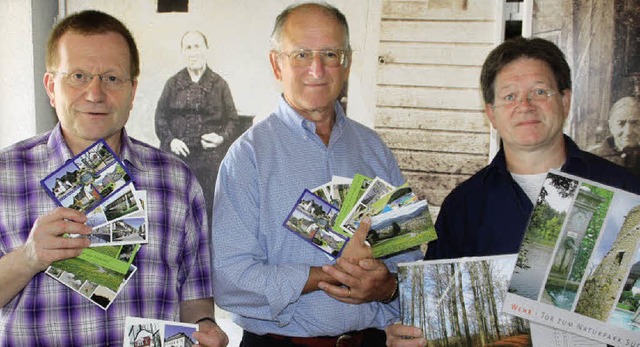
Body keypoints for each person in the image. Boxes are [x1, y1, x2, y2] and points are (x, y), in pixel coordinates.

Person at [384, 37, 640, 346]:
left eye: (540, 91)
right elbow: (439, 315)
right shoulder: (464, 205)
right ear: (491, 113)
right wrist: (414, 335)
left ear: (565, 100)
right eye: (510, 96)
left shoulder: (626, 189)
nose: (525, 105)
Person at [0, 10, 228, 346]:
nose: (94, 93)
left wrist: (205, 325)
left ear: (132, 90)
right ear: (51, 86)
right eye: (78, 76)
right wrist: (29, 257)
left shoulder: (176, 182)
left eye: (111, 78)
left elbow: (193, 298)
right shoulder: (4, 175)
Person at [211, 2, 422, 346]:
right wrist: (328, 275)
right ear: (276, 63)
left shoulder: (375, 150)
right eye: (301, 54)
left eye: (330, 54)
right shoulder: (247, 157)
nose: (317, 68)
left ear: (347, 62)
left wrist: (388, 287)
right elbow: (231, 281)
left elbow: (409, 258)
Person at [155, 30, 239, 223]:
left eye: (197, 46)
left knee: (209, 212)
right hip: (178, 157)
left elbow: (233, 120)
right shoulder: (172, 84)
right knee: (175, 212)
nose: (193, 52)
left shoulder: (220, 85)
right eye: (188, 48)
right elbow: (160, 118)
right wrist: (171, 140)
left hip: (209, 160)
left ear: (206, 50)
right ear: (183, 53)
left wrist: (221, 138)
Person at [589, 96, 640, 176]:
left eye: (635, 123)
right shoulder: (590, 158)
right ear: (611, 125)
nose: (628, 132)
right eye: (621, 123)